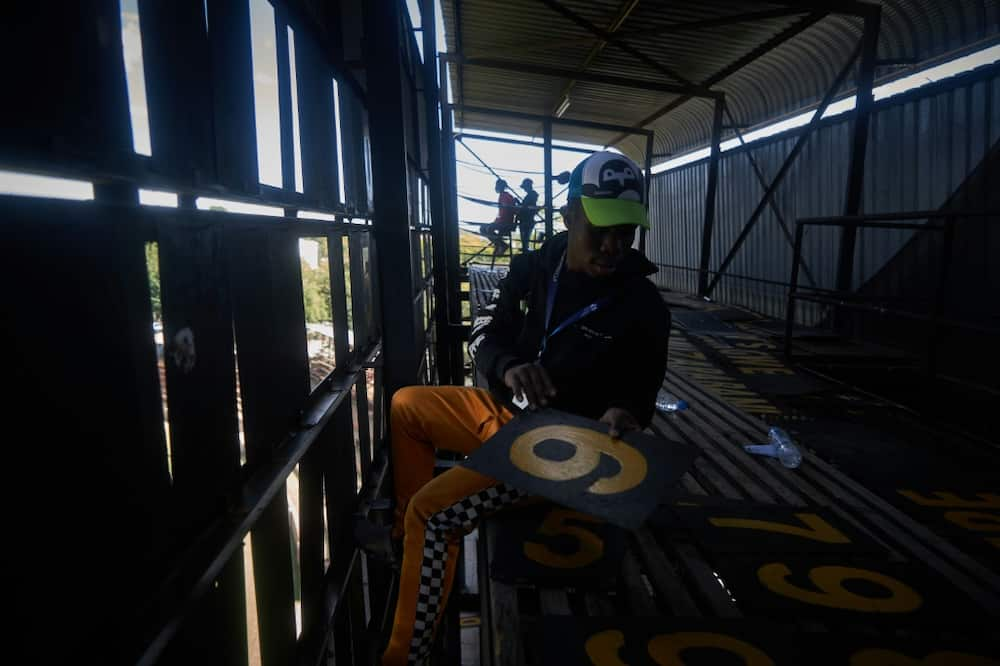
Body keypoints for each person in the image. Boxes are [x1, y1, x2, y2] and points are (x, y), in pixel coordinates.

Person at [374, 151, 670, 666]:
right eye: (600, 228)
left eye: (625, 231)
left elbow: (641, 390)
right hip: (501, 414)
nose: (613, 245)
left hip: (560, 449)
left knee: (435, 511)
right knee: (406, 406)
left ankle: (404, 658)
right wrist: (508, 366)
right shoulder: (533, 268)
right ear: (568, 216)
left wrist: (625, 413)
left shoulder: (645, 307)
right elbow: (484, 333)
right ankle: (405, 541)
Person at [481, 178, 517, 255]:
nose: (496, 187)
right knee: (483, 228)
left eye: (497, 185)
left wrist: (496, 222)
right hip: (503, 221)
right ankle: (498, 244)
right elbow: (502, 212)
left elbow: (505, 212)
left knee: (488, 229)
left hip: (505, 222)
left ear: (501, 186)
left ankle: (502, 245)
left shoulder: (505, 196)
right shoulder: (505, 195)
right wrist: (496, 221)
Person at [516, 177, 539, 253]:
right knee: (525, 241)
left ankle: (527, 256)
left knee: (525, 241)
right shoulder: (530, 195)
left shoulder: (532, 195)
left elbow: (525, 207)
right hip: (525, 220)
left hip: (527, 220)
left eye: (525, 187)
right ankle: (526, 254)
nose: (524, 189)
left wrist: (519, 204)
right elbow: (524, 206)